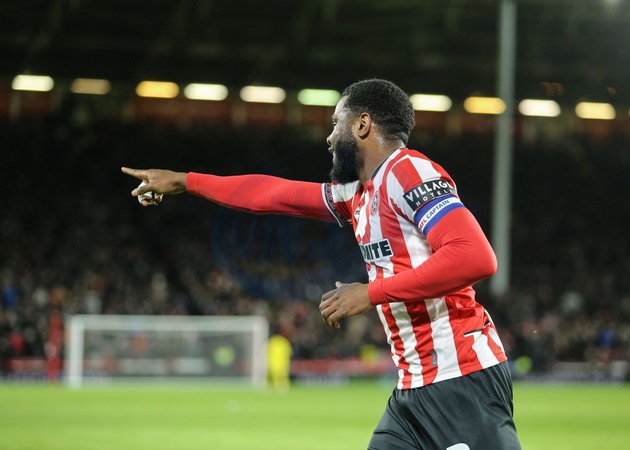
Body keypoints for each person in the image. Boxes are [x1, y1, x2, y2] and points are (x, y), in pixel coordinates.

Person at [122, 78, 522, 450]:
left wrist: (371, 293)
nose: (329, 137)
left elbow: (475, 256)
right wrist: (185, 180)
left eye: (335, 123)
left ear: (362, 124)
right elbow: (273, 193)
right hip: (412, 391)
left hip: (461, 379)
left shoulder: (408, 171)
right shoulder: (359, 194)